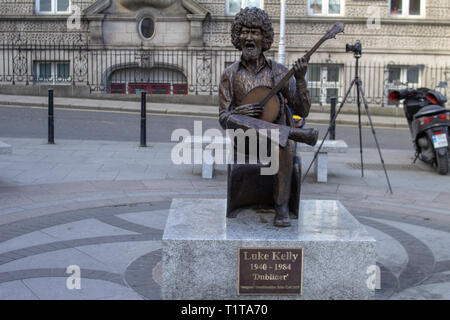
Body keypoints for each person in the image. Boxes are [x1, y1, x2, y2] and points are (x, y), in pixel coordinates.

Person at [218, 7, 318, 227]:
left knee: (283, 143)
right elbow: (223, 117)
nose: (250, 38)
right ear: (237, 37)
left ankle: (281, 206)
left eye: (255, 32)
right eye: (245, 32)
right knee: (283, 136)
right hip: (245, 141)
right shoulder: (230, 74)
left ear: (265, 38)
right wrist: (238, 113)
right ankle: (290, 133)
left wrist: (300, 80)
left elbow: (303, 110)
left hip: (274, 141)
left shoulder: (278, 72)